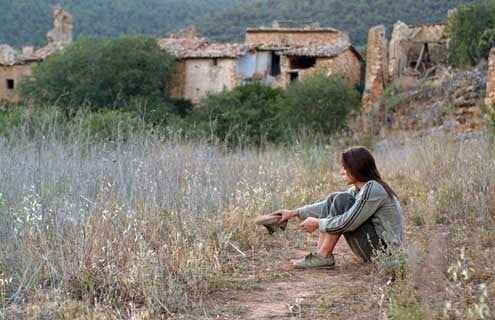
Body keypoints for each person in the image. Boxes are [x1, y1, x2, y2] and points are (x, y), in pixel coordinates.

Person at [270, 146, 403, 269]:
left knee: (341, 200)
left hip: (385, 255)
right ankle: (319, 255)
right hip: (375, 250)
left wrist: (318, 223)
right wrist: (294, 213)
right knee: (335, 198)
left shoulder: (373, 189)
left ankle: (323, 256)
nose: (341, 172)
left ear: (356, 168)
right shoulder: (361, 189)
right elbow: (326, 206)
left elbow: (349, 222)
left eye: (345, 168)